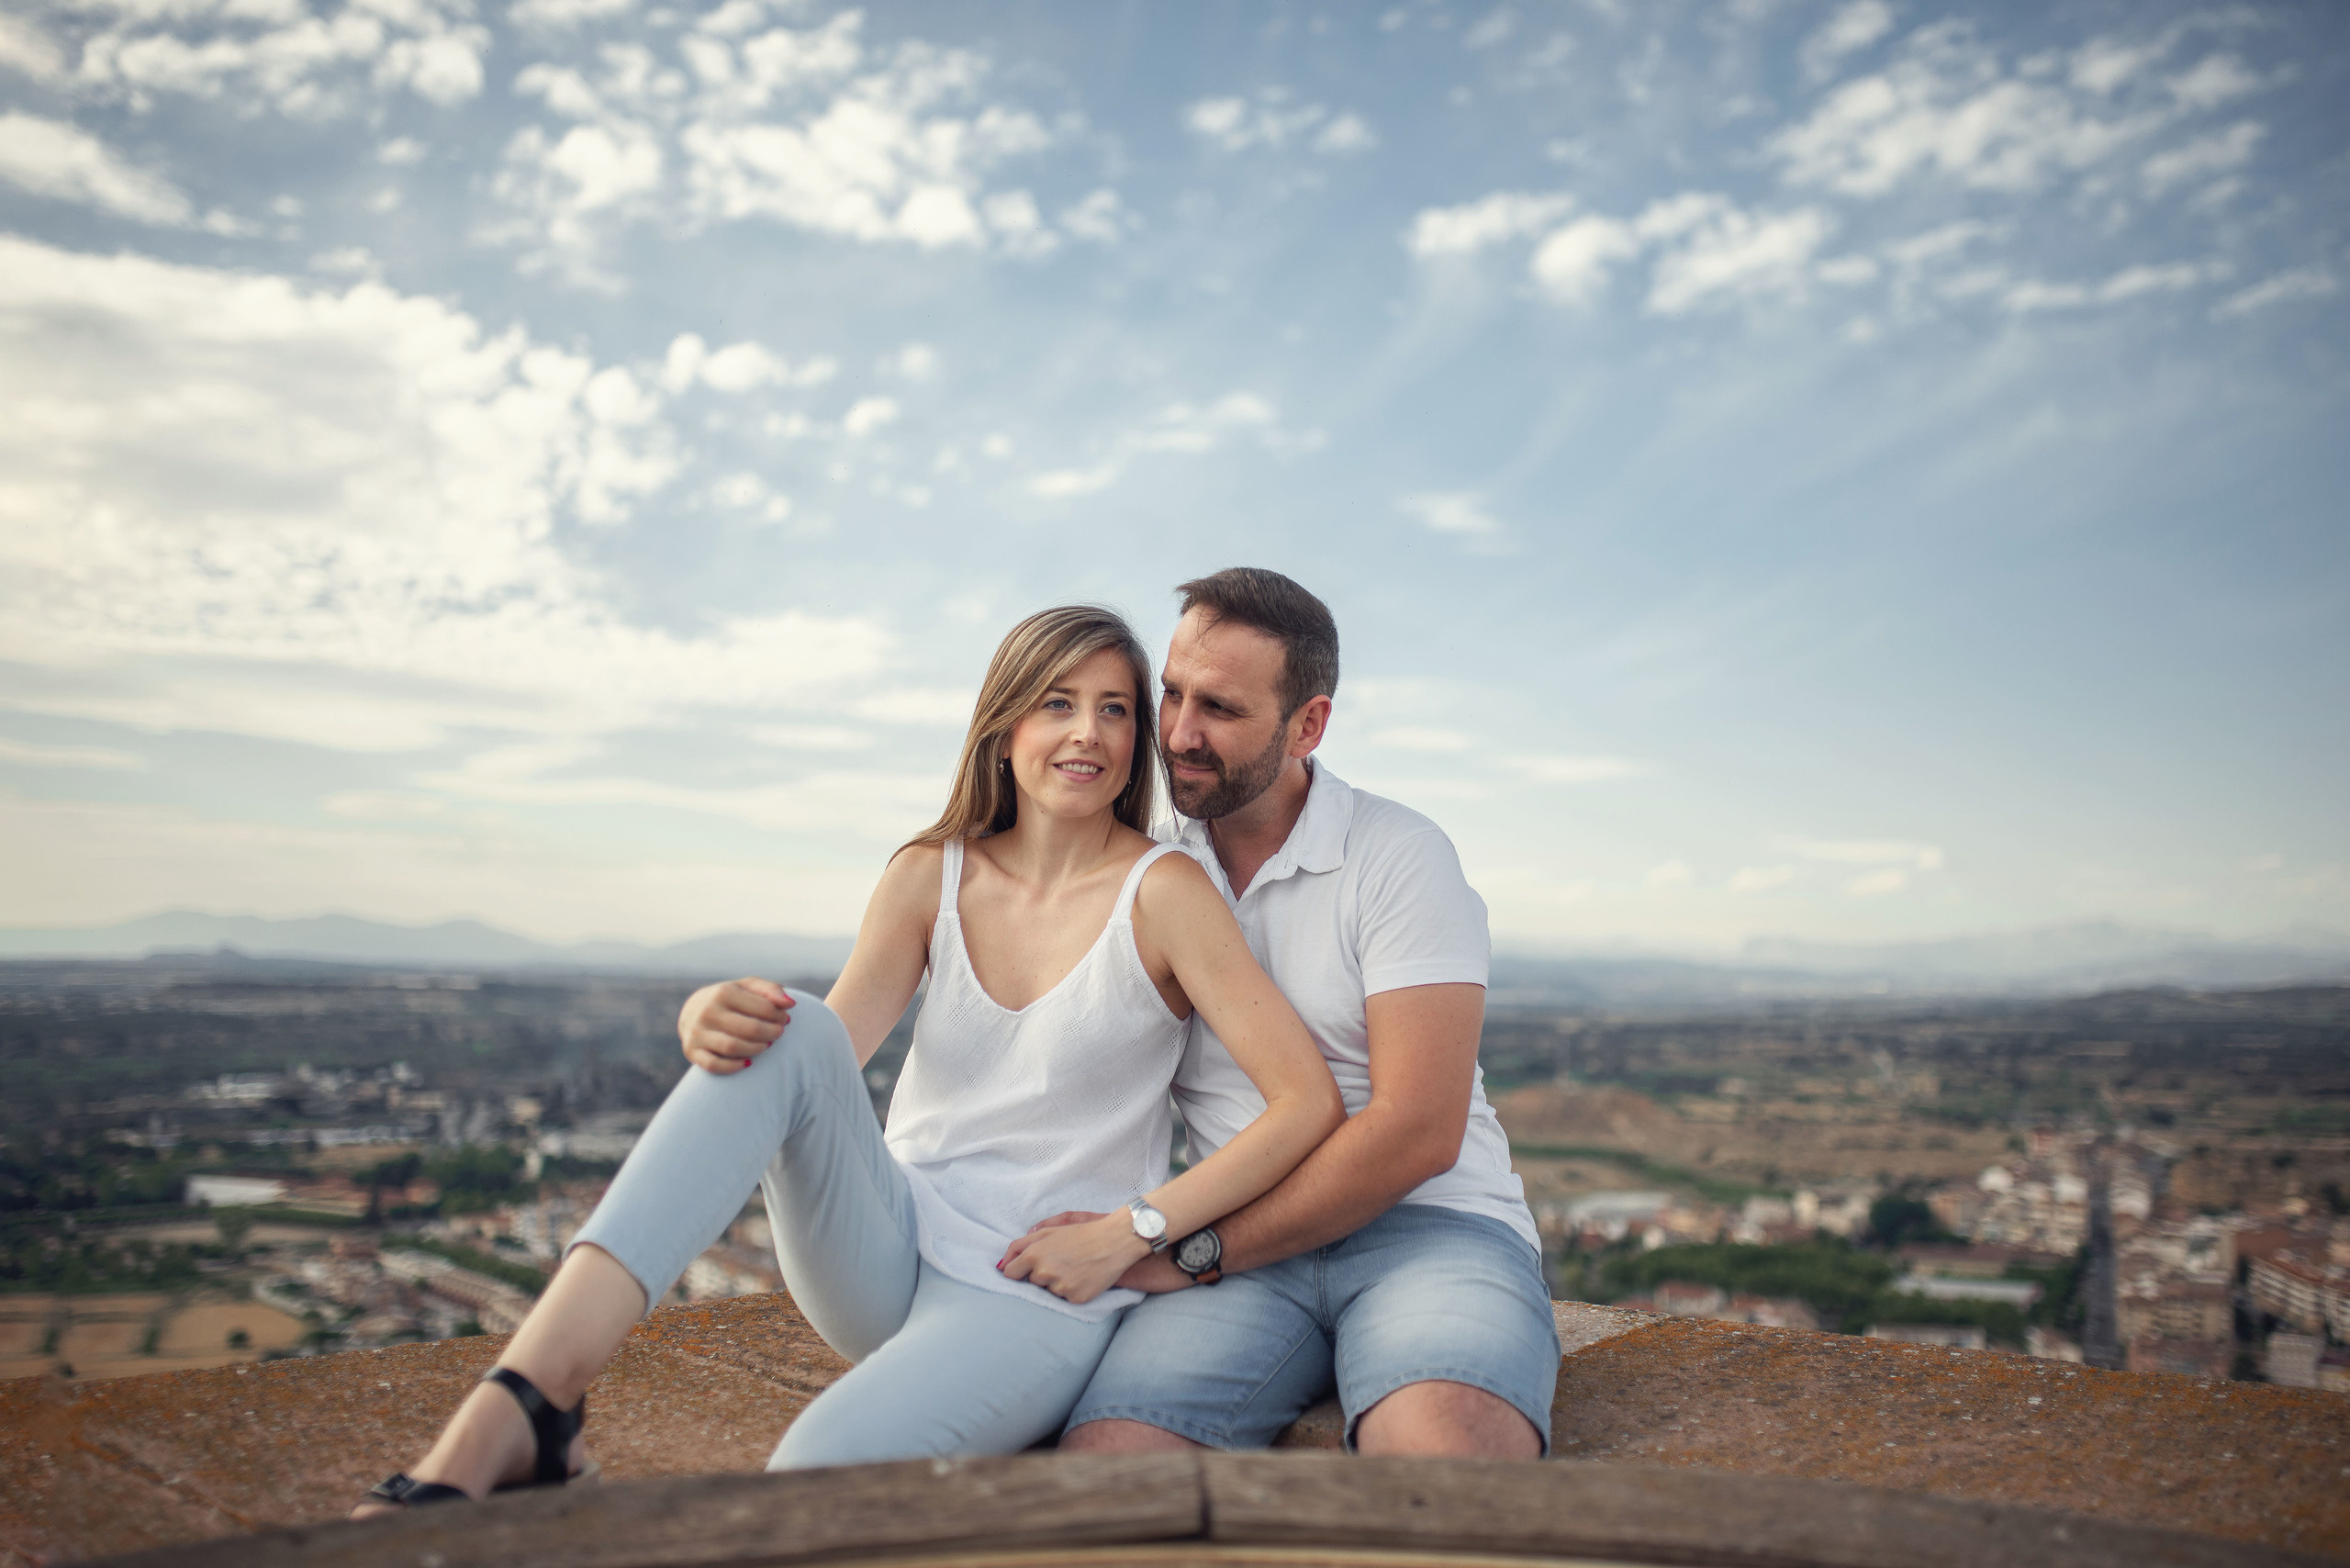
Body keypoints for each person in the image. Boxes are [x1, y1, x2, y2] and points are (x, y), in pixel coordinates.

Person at [355, 605, 1343, 1513]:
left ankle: (531, 1429)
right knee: (786, 1023)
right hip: (886, 1245)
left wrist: (1134, 1229)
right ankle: (523, 1403)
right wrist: (711, 1012)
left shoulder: (1164, 890)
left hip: (1035, 1290)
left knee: (808, 1484)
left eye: (1115, 709)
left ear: (1135, 744)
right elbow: (819, 1055)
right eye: (1057, 702)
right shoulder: (929, 873)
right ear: (1004, 724)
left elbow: (1303, 1102)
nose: (1087, 731)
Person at [1017, 568, 1559, 1459]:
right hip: (1232, 1242)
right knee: (1112, 1462)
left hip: (1424, 1227)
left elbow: (1418, 1129)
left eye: (1221, 710)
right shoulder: (1144, 866)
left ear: (1307, 724)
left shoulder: (1397, 855)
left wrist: (1186, 1249)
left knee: (1447, 1452)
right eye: (1173, 696)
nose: (1180, 735)